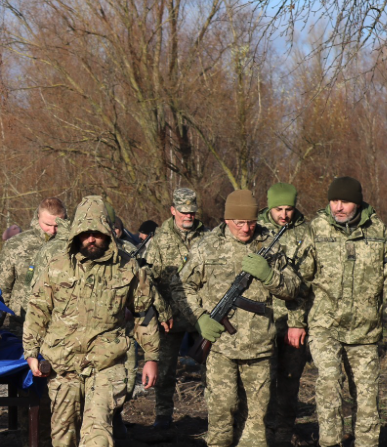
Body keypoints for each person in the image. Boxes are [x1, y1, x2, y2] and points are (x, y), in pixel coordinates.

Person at [23, 195, 161, 447]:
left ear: (107, 232)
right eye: (85, 233)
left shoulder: (127, 267)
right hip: (63, 364)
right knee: (63, 436)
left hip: (106, 362)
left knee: (97, 436)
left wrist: (151, 357)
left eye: (96, 233)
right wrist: (31, 352)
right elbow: (37, 309)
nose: (91, 239)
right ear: (76, 233)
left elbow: (144, 312)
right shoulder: (56, 266)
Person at [172, 190, 300, 447]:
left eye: (251, 222)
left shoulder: (270, 245)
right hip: (220, 347)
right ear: (227, 219)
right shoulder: (208, 246)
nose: (246, 228)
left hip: (260, 347)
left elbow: (293, 287)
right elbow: (180, 286)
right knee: (221, 415)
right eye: (239, 223)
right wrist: (199, 318)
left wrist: (269, 276)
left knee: (256, 421)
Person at [305, 177, 384, 447]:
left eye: (345, 201)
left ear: (358, 203)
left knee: (367, 395)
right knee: (328, 385)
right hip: (325, 325)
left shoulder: (378, 231)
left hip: (366, 329)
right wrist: (294, 321)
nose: (338, 207)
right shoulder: (316, 229)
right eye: (334, 200)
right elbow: (301, 280)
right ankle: (330, 442)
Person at [256, 183, 315, 445]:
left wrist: (297, 322)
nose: (284, 214)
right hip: (260, 319)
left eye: (289, 208)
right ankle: (262, 433)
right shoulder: (253, 229)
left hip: (293, 319)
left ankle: (282, 435)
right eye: (278, 208)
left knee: (289, 382)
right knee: (260, 382)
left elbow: (306, 283)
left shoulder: (307, 232)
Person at [145, 188, 208, 428]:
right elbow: (150, 279)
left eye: (192, 212)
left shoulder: (208, 236)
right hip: (169, 314)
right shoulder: (159, 239)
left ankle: (217, 415)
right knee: (165, 367)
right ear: (173, 210)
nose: (188, 216)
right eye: (184, 212)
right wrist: (161, 311)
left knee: (211, 366)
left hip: (199, 313)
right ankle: (163, 416)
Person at [0, 197, 66, 335]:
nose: (53, 230)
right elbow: (1, 289)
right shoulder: (16, 245)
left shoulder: (72, 245)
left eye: (57, 225)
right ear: (38, 216)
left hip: (60, 330)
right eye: (48, 225)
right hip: (20, 327)